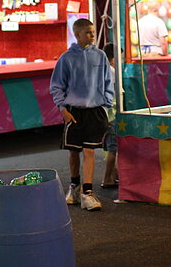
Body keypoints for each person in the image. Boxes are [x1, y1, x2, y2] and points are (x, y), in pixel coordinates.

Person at [50, 18, 114, 211]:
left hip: (96, 111)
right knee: (74, 151)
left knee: (90, 151)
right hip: (74, 112)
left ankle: (87, 192)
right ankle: (74, 186)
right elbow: (57, 86)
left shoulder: (101, 56)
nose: (92, 35)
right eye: (88, 32)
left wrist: (105, 107)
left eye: (93, 32)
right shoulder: (66, 58)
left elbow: (108, 82)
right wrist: (63, 109)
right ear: (77, 34)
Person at [101, 43, 119, 189]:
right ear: (113, 58)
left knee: (109, 148)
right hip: (111, 115)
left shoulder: (100, 70)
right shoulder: (111, 71)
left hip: (103, 115)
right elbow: (114, 94)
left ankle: (114, 176)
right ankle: (107, 178)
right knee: (113, 149)